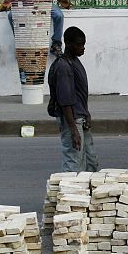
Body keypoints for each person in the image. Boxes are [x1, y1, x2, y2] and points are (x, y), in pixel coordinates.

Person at [48, 27, 100, 172]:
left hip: (81, 117)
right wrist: (73, 131)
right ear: (68, 44)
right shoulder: (64, 67)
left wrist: (87, 114)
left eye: (84, 44)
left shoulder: (75, 61)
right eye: (79, 45)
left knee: (91, 163)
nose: (82, 48)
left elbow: (79, 94)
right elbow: (65, 101)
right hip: (71, 120)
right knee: (74, 164)